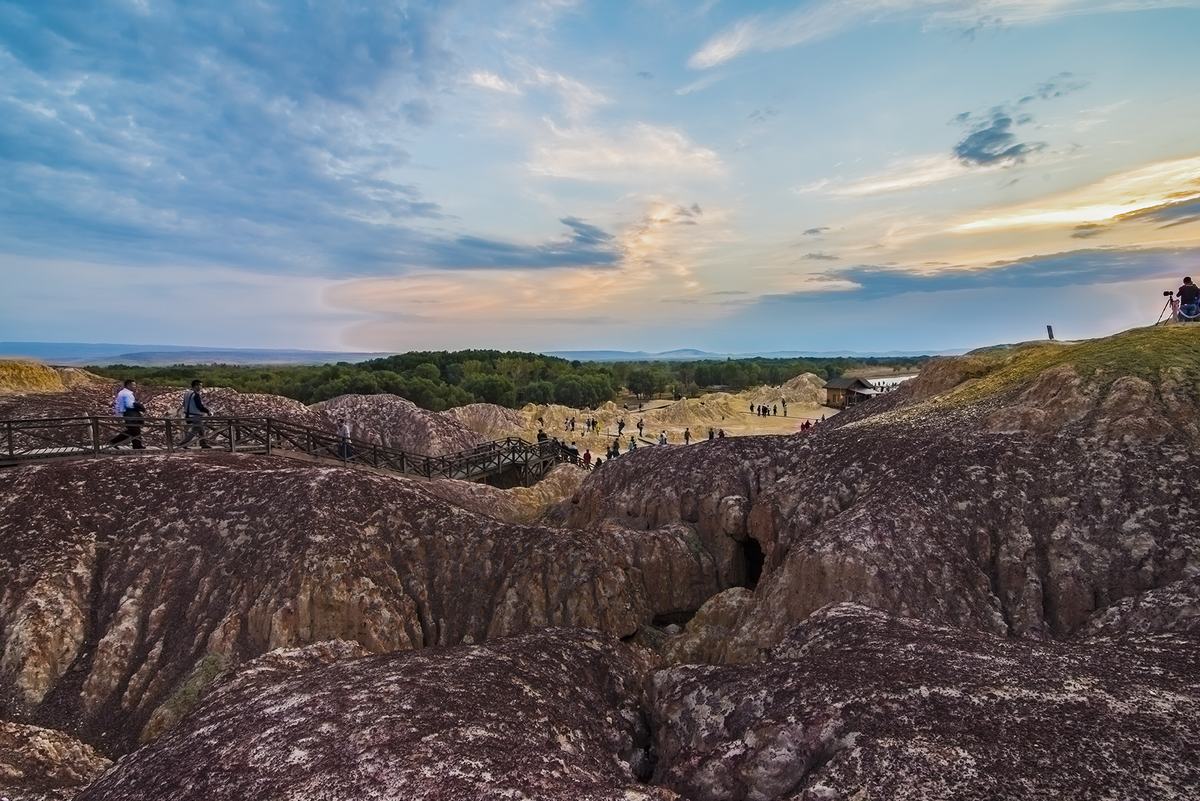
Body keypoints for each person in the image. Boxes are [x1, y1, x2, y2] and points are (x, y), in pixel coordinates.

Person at [109, 379, 145, 449]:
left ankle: (137, 445)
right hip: (130, 413)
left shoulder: (123, 392)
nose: (135, 386)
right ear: (128, 385)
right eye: (133, 385)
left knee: (134, 429)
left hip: (127, 413)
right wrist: (139, 406)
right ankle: (113, 442)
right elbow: (129, 405)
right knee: (133, 429)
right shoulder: (127, 393)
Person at [177, 379, 212, 449]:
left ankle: (203, 443)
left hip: (188, 415)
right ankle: (183, 443)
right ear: (196, 386)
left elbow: (184, 404)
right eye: (200, 385)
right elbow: (199, 406)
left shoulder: (187, 393)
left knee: (201, 429)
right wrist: (208, 411)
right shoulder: (196, 395)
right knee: (196, 429)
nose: (201, 387)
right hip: (195, 415)